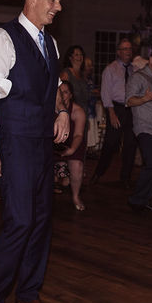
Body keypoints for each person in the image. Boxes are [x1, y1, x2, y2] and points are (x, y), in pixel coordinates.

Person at [0, 0, 71, 303]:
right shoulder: (3, 39)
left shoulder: (50, 42)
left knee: (42, 221)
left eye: (59, 1)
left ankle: (28, 293)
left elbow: (59, 84)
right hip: (14, 142)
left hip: (42, 146)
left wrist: (62, 110)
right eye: (52, 0)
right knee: (19, 221)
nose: (58, 7)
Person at [126, 50, 152, 211]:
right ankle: (136, 199)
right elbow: (129, 100)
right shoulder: (138, 77)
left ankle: (144, 199)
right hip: (144, 127)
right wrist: (145, 98)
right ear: (150, 60)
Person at [92, 37, 137, 185]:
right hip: (116, 108)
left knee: (130, 144)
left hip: (131, 109)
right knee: (111, 143)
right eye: (124, 49)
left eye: (129, 49)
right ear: (118, 52)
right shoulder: (110, 69)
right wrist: (111, 113)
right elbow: (105, 93)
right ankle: (98, 174)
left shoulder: (134, 69)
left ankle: (125, 178)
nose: (127, 52)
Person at [56, 80, 87, 211]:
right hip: (53, 144)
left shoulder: (77, 111)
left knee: (76, 165)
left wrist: (72, 149)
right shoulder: (48, 107)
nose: (63, 95)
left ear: (71, 95)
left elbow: (78, 135)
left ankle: (75, 196)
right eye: (60, 91)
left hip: (72, 143)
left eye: (66, 92)